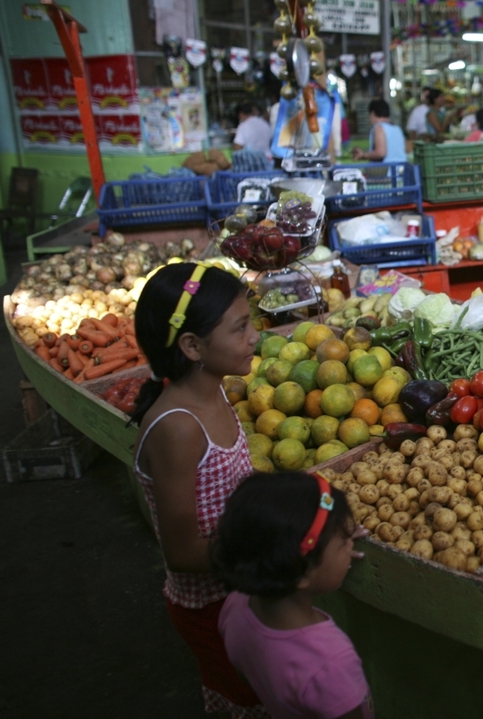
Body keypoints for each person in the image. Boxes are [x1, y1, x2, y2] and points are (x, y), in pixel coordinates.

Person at [129, 263, 267, 718]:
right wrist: (280, 543)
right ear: (192, 346)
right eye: (240, 327)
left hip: (241, 589)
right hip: (210, 607)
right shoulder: (179, 428)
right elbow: (183, 552)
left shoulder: (216, 391)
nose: (254, 337)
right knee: (246, 699)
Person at [212, 473, 374, 719]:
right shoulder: (330, 663)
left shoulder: (236, 606)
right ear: (301, 572)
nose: (351, 545)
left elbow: (244, 674)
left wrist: (330, 553)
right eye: (343, 542)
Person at [351, 98, 406, 163]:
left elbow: (381, 152)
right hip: (402, 169)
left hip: (387, 171)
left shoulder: (379, 128)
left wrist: (363, 155)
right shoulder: (397, 129)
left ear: (372, 113)